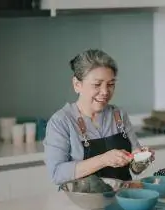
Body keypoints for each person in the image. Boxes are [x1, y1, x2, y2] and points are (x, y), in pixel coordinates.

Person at [43, 49, 154, 185]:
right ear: (77, 85)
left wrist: (141, 160)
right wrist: (104, 160)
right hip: (83, 202)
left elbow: (134, 169)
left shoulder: (119, 115)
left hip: (122, 198)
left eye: (111, 84)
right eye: (97, 85)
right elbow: (57, 174)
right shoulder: (61, 122)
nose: (105, 92)